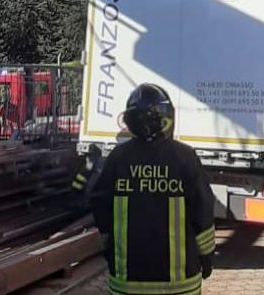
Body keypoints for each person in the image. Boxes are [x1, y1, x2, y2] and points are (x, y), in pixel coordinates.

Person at [90, 84, 215, 295]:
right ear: (167, 119)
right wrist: (207, 257)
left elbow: (100, 206)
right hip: (179, 286)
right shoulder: (184, 157)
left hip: (126, 284)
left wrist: (109, 248)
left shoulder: (118, 159)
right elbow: (203, 212)